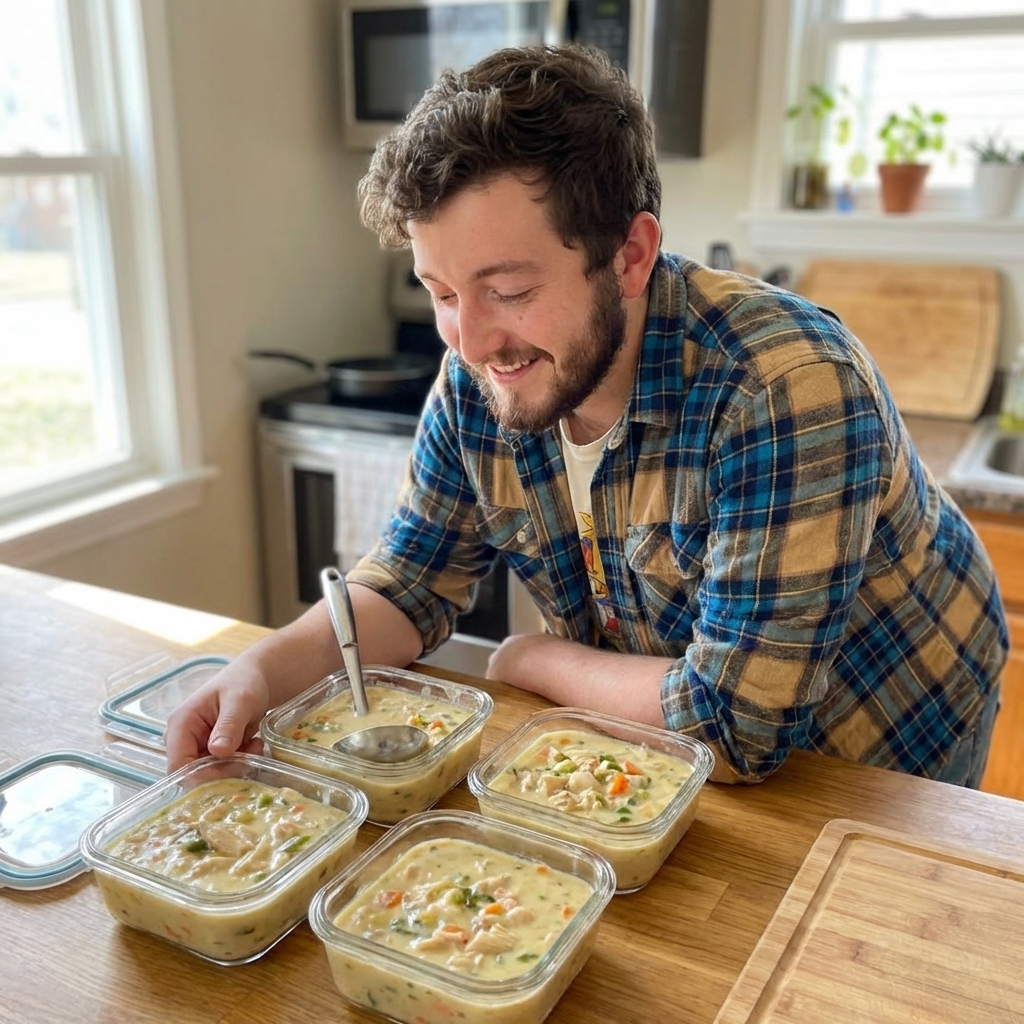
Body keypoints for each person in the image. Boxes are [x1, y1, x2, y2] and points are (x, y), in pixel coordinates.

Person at [166, 45, 1007, 786]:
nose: (473, 339)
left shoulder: (786, 388)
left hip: (895, 732)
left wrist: (534, 659)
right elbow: (413, 580)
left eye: (511, 290)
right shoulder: (477, 382)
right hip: (671, 743)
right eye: (443, 293)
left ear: (631, 255)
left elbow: (734, 723)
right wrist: (262, 671)